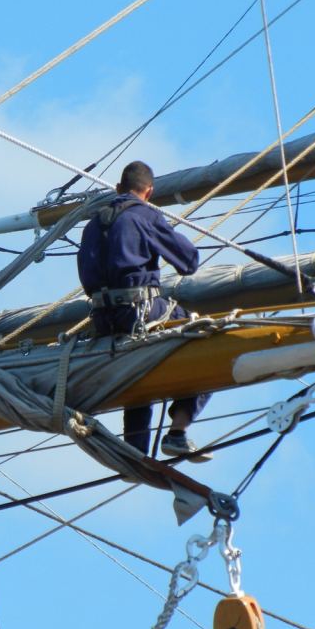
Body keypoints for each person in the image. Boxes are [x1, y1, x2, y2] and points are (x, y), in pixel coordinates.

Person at [77, 161, 211, 461]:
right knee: (203, 332)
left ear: (117, 188)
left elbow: (86, 277)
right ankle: (177, 432)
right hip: (140, 310)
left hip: (102, 319)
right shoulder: (145, 215)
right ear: (148, 192)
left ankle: (134, 449)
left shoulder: (93, 224)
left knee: (137, 365)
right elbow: (188, 262)